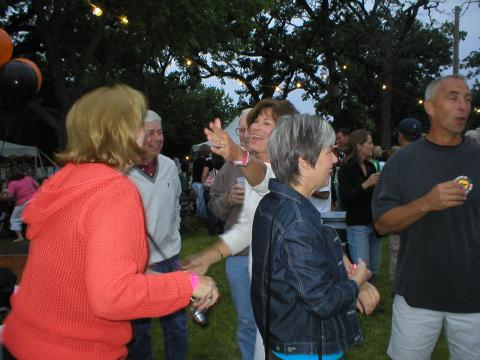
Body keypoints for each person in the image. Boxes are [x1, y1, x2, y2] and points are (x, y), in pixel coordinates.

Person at [1, 84, 219, 360]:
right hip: (72, 350)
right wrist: (186, 285)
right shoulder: (113, 190)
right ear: (122, 131)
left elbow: (93, 269)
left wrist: (177, 281)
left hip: (22, 339)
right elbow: (112, 297)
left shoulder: (67, 178)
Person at [372, 75, 479, 359]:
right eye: (453, 97)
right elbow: (381, 224)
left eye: (467, 99)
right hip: (417, 295)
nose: (463, 107)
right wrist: (426, 203)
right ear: (430, 107)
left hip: (473, 296)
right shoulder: (403, 161)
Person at [252, 114, 372, 359]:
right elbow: (322, 302)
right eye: (329, 152)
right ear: (304, 161)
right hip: (307, 347)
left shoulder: (271, 204)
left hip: (286, 337)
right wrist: (356, 282)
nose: (335, 159)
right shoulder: (298, 220)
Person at [127, 110, 188, 360]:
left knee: (176, 327)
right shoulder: (121, 170)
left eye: (159, 132)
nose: (157, 138)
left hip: (169, 258)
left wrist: (173, 233)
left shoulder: (170, 166)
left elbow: (175, 204)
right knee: (138, 331)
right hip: (135, 266)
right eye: (150, 132)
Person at [207, 109, 257, 360]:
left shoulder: (276, 163)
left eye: (251, 128)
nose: (247, 134)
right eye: (242, 130)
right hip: (238, 257)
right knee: (247, 320)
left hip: (271, 256)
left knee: (276, 319)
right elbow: (213, 207)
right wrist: (227, 199)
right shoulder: (228, 168)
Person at [338, 129, 381, 282]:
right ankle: (358, 303)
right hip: (357, 225)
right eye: (369, 143)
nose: (372, 146)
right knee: (361, 269)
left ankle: (370, 301)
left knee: (374, 268)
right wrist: (365, 185)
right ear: (358, 146)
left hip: (374, 224)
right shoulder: (346, 168)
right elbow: (345, 197)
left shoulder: (371, 166)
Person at [389, 117, 422, 283]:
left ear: (401, 136)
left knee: (400, 271)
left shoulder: (396, 160)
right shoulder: (430, 158)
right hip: (427, 220)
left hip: (401, 219)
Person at [3, 171, 38, 242]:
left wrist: (6, 196)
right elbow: (37, 185)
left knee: (15, 220)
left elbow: (10, 196)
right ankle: (36, 236)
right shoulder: (28, 178)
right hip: (35, 200)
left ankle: (20, 237)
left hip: (23, 203)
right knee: (34, 219)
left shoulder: (12, 183)